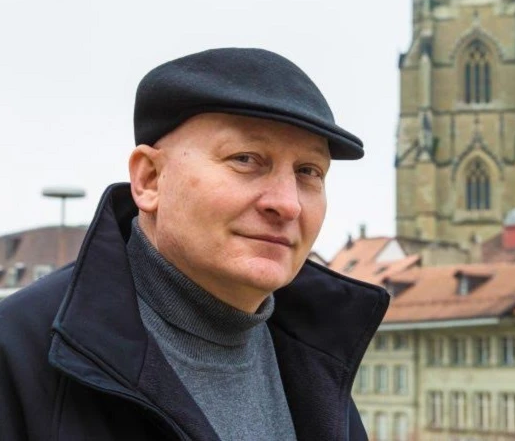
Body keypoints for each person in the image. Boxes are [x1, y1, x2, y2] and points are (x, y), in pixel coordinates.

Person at [0, 48, 389, 441]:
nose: (287, 204)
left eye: (308, 171)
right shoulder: (17, 355)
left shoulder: (321, 367)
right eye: (245, 159)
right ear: (150, 179)